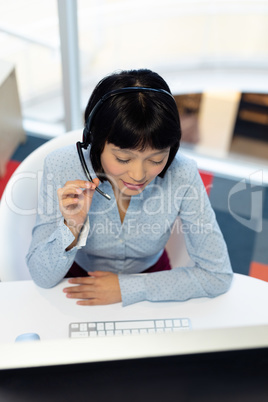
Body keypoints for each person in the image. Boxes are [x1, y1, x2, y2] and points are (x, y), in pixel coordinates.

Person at [26, 69, 233, 306]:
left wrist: (127, 288)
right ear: (94, 141)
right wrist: (71, 227)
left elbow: (218, 275)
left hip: (153, 280)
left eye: (156, 160)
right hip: (77, 282)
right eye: (123, 159)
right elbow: (41, 276)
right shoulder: (61, 166)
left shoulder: (183, 172)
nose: (138, 175)